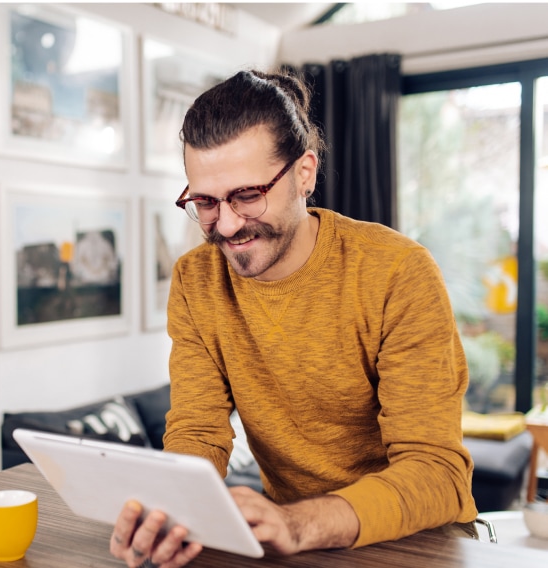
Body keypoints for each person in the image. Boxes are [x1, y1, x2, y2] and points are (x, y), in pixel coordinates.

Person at [110, 69, 478, 567]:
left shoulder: (396, 271)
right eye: (205, 202)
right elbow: (199, 433)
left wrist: (300, 523)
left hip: (414, 546)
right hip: (295, 547)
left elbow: (436, 472)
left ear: (304, 173)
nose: (228, 224)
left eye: (246, 195)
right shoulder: (196, 280)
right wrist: (169, 513)